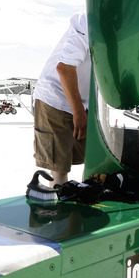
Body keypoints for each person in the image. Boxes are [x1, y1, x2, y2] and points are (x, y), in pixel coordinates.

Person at [32, 11, 91, 187]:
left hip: (83, 101)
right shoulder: (88, 21)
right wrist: (78, 112)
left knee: (93, 161)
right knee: (59, 171)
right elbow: (64, 69)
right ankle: (59, 212)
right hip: (54, 98)